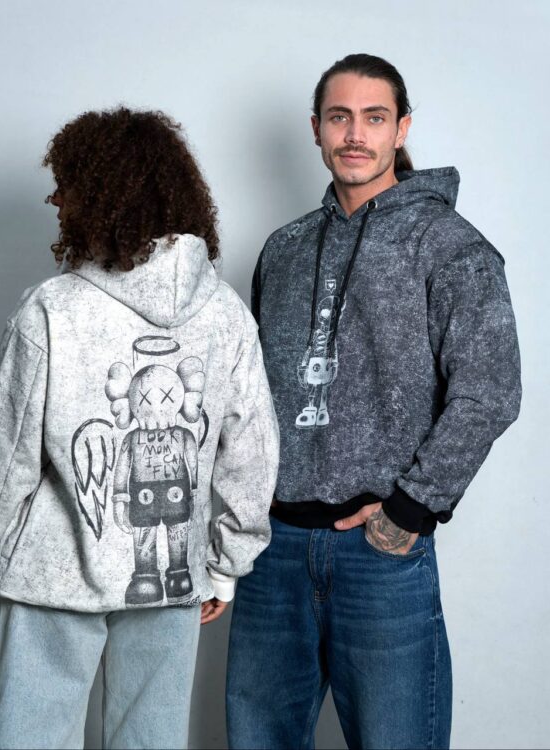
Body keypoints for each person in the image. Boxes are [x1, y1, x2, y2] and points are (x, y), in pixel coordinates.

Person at [0, 107, 279, 750]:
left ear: (100, 194)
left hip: (52, 576)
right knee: (150, 741)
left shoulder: (53, 309)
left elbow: (4, 454)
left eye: (66, 185)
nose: (55, 200)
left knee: (31, 740)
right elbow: (253, 450)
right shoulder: (225, 314)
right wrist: (224, 565)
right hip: (172, 578)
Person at [226, 53, 521, 750]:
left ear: (401, 128)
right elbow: (247, 394)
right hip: (270, 553)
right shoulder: (283, 249)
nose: (354, 134)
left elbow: (489, 389)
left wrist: (409, 511)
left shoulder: (450, 246)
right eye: (339, 117)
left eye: (374, 117)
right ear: (316, 129)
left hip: (379, 555)